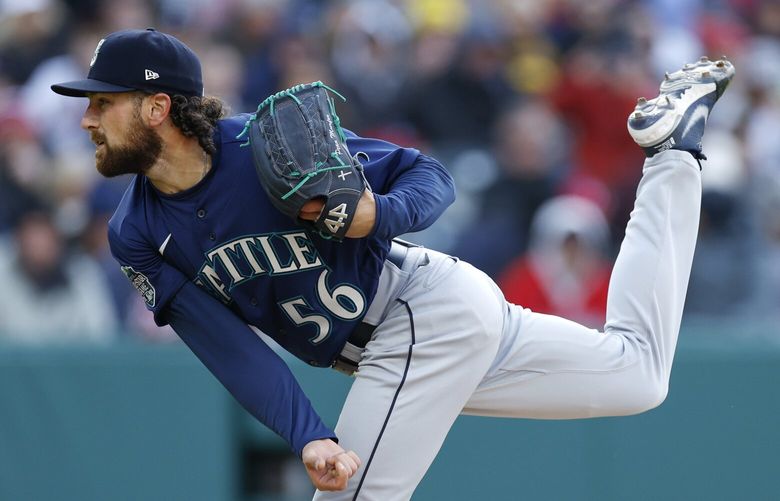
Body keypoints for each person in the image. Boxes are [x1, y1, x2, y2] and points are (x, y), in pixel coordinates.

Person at [51, 29, 734, 500]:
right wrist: (307, 432)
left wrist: (379, 212)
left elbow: (427, 175)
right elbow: (229, 348)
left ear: (158, 106)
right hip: (401, 342)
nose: (88, 120)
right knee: (636, 373)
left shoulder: (264, 141)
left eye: (102, 103)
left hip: (417, 307)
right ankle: (675, 151)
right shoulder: (136, 231)